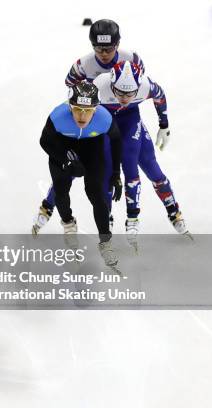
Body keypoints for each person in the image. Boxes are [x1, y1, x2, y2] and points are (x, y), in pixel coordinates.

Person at [33, 19, 143, 234]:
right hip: (91, 114)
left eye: (109, 49)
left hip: (116, 115)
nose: (103, 54)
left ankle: (109, 217)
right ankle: (51, 202)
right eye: (98, 49)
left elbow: (137, 86)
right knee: (72, 167)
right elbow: (72, 89)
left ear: (118, 44)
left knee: (111, 166)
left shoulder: (133, 60)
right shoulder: (82, 65)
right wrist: (86, 108)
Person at [93, 60, 189, 240]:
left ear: (138, 87)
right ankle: (106, 219)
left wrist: (164, 125)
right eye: (120, 92)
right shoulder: (99, 84)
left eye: (130, 93)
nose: (124, 98)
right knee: (106, 172)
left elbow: (159, 95)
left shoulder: (145, 86)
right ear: (111, 84)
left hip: (131, 123)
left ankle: (170, 211)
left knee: (149, 168)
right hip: (106, 124)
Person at [39, 81, 122, 267]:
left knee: (95, 193)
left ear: (96, 108)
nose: (82, 116)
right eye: (77, 109)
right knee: (60, 191)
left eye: (88, 110)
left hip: (91, 149)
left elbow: (116, 140)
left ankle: (105, 242)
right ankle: (68, 224)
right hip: (63, 148)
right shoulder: (57, 116)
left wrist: (116, 173)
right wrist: (65, 160)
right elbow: (44, 141)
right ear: (70, 107)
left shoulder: (105, 118)